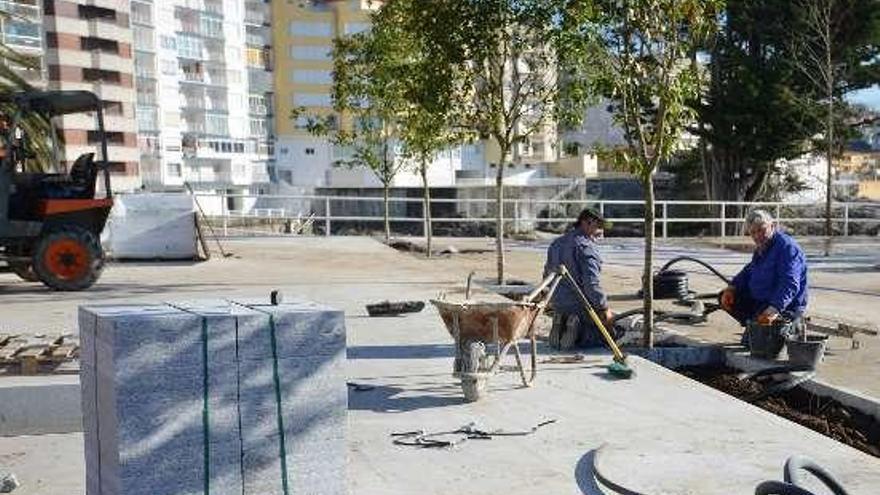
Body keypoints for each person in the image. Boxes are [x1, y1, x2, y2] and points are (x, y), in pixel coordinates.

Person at [720, 210, 808, 328]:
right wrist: (732, 287)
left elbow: (790, 284)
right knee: (726, 297)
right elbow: (750, 270)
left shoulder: (787, 248)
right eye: (753, 232)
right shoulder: (762, 247)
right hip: (762, 300)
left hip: (785, 306)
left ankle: (762, 327)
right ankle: (754, 326)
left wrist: (773, 310)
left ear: (772, 226)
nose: (757, 236)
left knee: (760, 342)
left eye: (761, 230)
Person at [543, 207, 614, 349]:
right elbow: (591, 283)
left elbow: (547, 275)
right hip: (579, 305)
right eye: (598, 227)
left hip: (558, 303)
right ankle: (576, 331)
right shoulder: (585, 246)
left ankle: (562, 324)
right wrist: (603, 307)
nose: (601, 232)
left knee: (569, 315)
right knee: (600, 339)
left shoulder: (556, 243)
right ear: (586, 223)